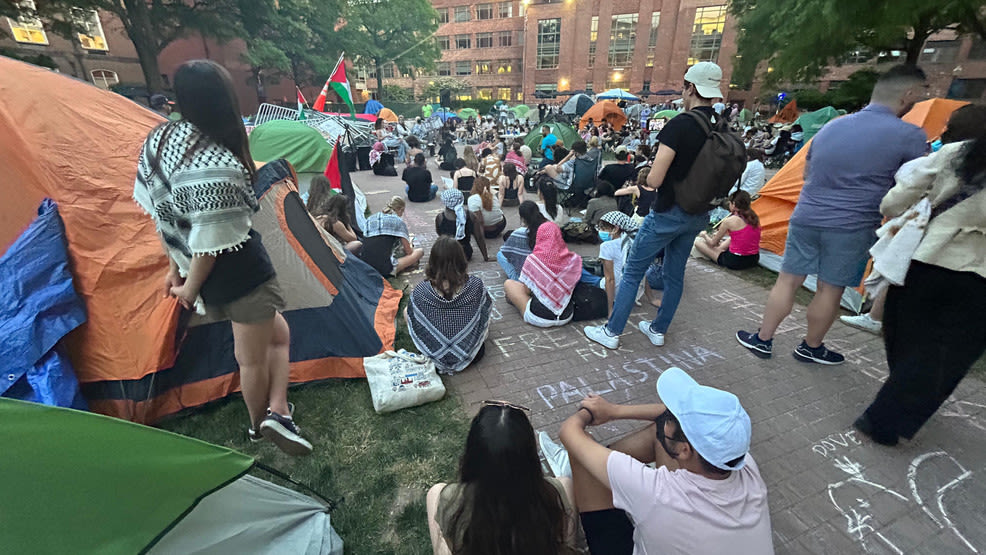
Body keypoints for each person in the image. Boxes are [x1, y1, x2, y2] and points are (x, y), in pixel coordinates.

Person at [133, 59, 311, 456]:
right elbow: (211, 241)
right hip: (240, 273)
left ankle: (278, 410)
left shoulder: (159, 141)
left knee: (276, 336)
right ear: (223, 100)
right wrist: (188, 284)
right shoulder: (220, 164)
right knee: (251, 358)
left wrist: (174, 269)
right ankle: (261, 423)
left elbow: (164, 212)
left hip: (207, 279)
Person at [736, 64, 929, 365]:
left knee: (787, 280)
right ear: (909, 94)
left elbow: (809, 172)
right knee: (830, 288)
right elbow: (915, 185)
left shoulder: (832, 126)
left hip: (806, 214)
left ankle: (763, 338)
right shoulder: (910, 135)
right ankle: (811, 347)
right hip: (853, 224)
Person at [584, 62, 732, 350]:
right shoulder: (719, 125)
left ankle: (612, 333)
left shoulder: (681, 124)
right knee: (674, 275)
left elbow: (654, 178)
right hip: (699, 212)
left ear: (690, 87)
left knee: (632, 271)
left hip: (668, 212)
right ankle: (658, 329)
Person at [854, 130, 986, 446]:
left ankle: (897, 401)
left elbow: (899, 195)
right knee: (949, 352)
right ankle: (893, 410)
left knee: (907, 337)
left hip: (926, 259)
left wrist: (899, 206)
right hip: (978, 275)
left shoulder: (958, 151)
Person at [554, 368, 772, 555]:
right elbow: (665, 416)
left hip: (662, 510)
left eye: (673, 419)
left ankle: (594, 475)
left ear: (686, 450)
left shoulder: (657, 492)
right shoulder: (741, 462)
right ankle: (603, 469)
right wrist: (614, 412)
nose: (667, 417)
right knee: (662, 435)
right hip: (695, 525)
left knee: (583, 459)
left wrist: (587, 412)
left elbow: (569, 432)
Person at [427, 400, 578, 555]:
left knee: (434, 494)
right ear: (529, 457)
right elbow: (567, 546)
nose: (504, 403)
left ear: (473, 456)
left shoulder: (447, 498)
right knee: (565, 482)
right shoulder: (557, 492)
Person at [406, 237, 493, 375]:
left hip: (432, 355)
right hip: (472, 355)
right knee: (483, 314)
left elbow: (413, 316)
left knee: (408, 311)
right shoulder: (475, 285)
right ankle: (466, 342)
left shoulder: (421, 291)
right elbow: (485, 311)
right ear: (461, 260)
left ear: (432, 262)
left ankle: (435, 344)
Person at [504, 220, 580, 328]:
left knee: (509, 284)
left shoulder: (533, 259)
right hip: (566, 315)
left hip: (539, 317)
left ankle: (520, 303)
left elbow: (526, 289)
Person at [694, 190, 761, 270]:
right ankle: (720, 249)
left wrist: (704, 235)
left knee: (698, 242)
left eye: (730, 203)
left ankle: (717, 251)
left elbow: (712, 243)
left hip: (735, 261)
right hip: (754, 259)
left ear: (734, 204)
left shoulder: (730, 221)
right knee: (731, 238)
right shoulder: (754, 217)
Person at [360, 196, 425, 277]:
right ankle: (403, 266)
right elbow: (409, 251)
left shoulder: (371, 218)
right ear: (401, 209)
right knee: (419, 252)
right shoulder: (398, 221)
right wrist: (410, 244)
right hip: (384, 268)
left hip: (365, 264)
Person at [592, 211, 639, 316]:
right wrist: (652, 298)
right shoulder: (633, 241)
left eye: (604, 228)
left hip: (616, 294)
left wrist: (610, 310)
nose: (601, 232)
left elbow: (610, 280)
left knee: (582, 272)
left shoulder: (607, 246)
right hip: (632, 294)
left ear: (616, 228)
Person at [306, 180, 362, 254]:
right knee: (358, 243)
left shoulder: (317, 216)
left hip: (315, 248)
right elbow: (352, 238)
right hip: (330, 252)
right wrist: (347, 223)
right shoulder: (334, 222)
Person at [436, 189, 489, 262]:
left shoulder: (440, 217)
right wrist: (485, 257)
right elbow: (479, 237)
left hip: (446, 254)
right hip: (464, 253)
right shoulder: (470, 215)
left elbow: (439, 234)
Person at [497, 201, 543, 280]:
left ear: (523, 217)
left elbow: (506, 253)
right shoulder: (547, 228)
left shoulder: (518, 233)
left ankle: (515, 277)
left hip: (525, 277)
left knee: (500, 254)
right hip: (542, 275)